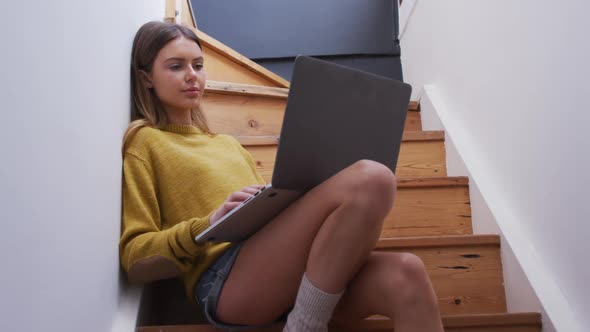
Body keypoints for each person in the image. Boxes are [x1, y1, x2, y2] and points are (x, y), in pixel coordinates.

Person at [119, 21, 444, 332]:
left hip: (289, 275)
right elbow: (135, 258)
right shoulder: (145, 140)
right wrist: (209, 223)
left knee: (406, 272)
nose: (192, 76)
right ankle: (305, 326)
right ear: (147, 78)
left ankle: (307, 315)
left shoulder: (227, 144)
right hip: (226, 279)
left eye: (199, 65)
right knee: (372, 178)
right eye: (176, 66)